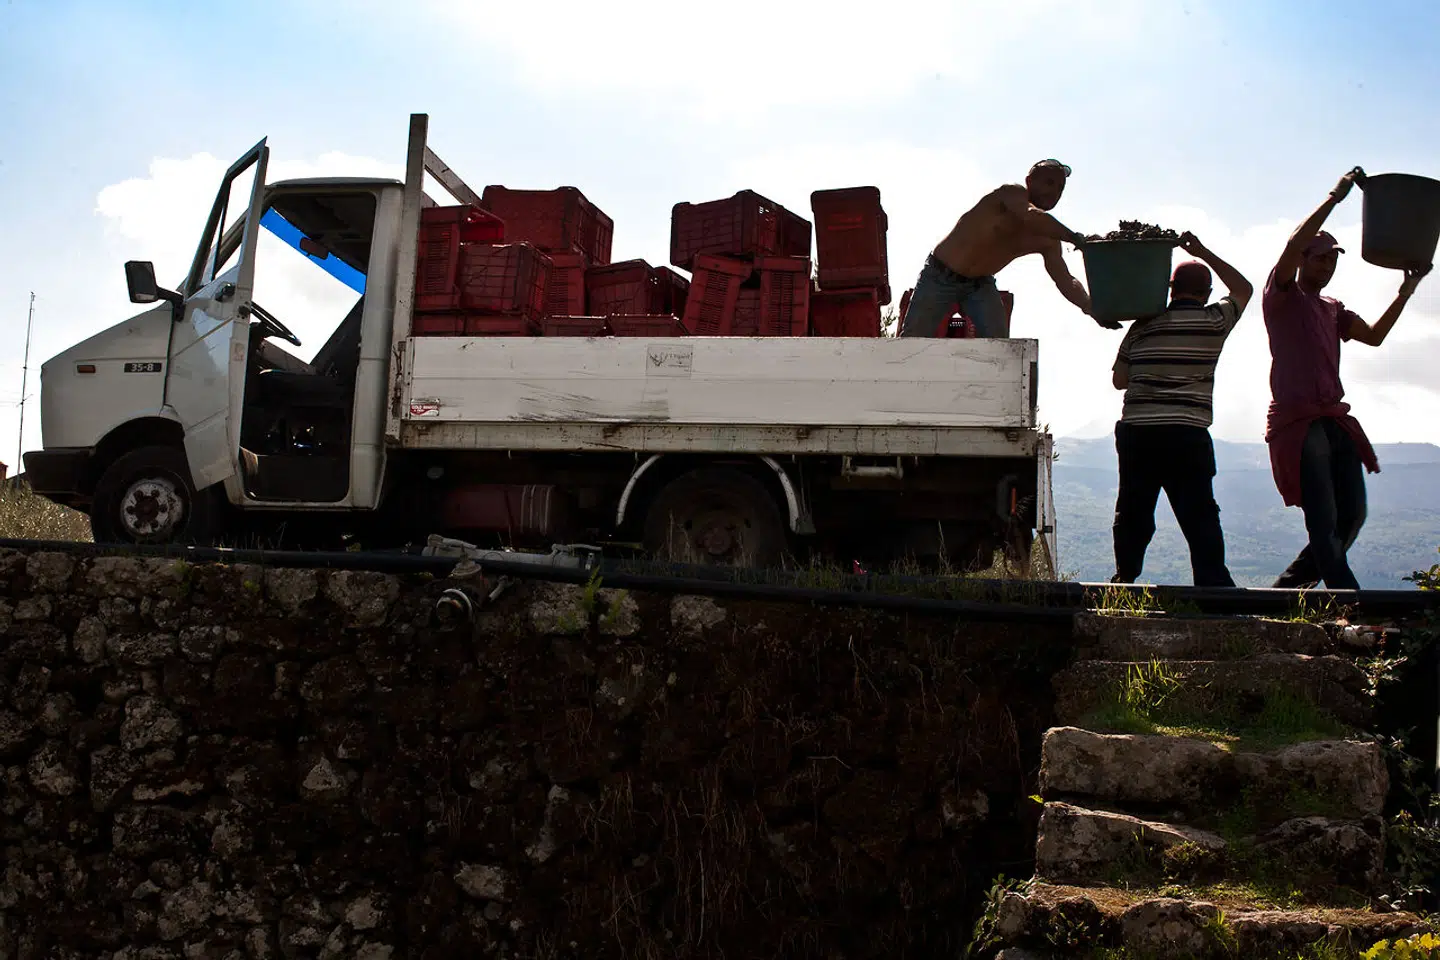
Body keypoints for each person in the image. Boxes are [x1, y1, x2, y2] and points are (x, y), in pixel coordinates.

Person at [1264, 168, 1432, 590]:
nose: (1327, 265)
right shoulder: (1281, 296)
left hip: (1333, 420)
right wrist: (1335, 197)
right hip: (1299, 423)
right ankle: (1349, 601)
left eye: (1333, 259)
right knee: (1323, 518)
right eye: (1320, 257)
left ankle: (1286, 591)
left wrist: (1405, 292)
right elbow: (1292, 243)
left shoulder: (1333, 308)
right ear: (1303, 261)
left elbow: (1374, 337)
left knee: (1351, 514)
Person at [1109, 233, 1253, 587]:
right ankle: (1213, 587)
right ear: (1206, 293)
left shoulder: (1141, 326)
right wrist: (1202, 250)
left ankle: (1124, 579)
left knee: (1133, 511)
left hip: (1138, 432)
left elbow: (1119, 379)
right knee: (1200, 513)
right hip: (1187, 434)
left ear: (1171, 290)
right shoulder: (1215, 322)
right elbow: (1244, 289)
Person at [898, 159, 1118, 338]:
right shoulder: (1010, 194)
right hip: (939, 274)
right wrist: (1075, 238)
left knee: (1000, 346)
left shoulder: (1049, 238)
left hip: (980, 285)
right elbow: (1030, 216)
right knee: (911, 340)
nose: (1054, 192)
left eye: (1060, 188)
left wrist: (1091, 308)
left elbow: (1065, 279)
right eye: (1049, 183)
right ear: (1029, 181)